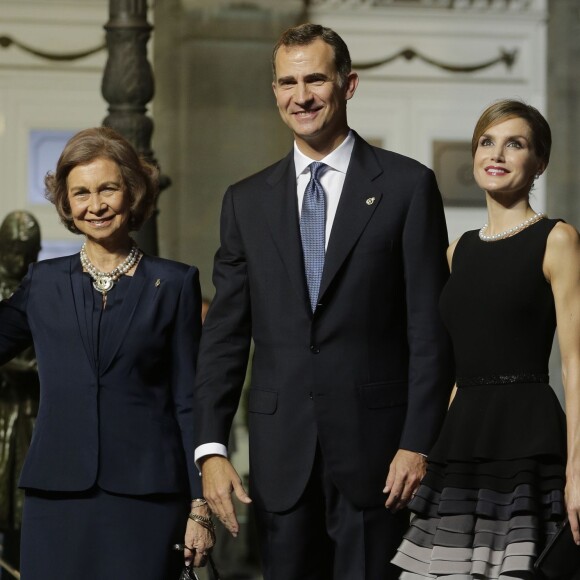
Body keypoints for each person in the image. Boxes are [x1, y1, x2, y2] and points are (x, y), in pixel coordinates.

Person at [193, 23, 454, 580]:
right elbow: (225, 337)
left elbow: (430, 331)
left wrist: (417, 443)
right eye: (287, 82)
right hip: (281, 455)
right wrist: (211, 447)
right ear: (274, 91)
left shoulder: (408, 188)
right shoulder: (245, 201)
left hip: (379, 459)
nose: (301, 96)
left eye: (315, 79)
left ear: (348, 84)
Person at [0, 127, 214, 579]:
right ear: (65, 203)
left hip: (146, 496)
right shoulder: (43, 282)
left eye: (107, 189)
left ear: (132, 193)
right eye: (80, 193)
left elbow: (189, 401)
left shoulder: (173, 283)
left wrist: (199, 504)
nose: (94, 205)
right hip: (55, 494)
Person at [392, 99, 580, 578]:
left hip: (527, 444)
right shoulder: (458, 252)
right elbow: (457, 367)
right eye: (486, 142)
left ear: (539, 162)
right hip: (461, 444)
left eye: (514, 143)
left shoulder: (557, 239)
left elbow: (575, 365)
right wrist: (428, 450)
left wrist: (578, 470)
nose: (496, 153)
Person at [0, 211, 41, 568]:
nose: (21, 259)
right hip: (4, 408)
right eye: (14, 250)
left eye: (28, 251)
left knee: (22, 511)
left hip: (31, 412)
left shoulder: (40, 286)